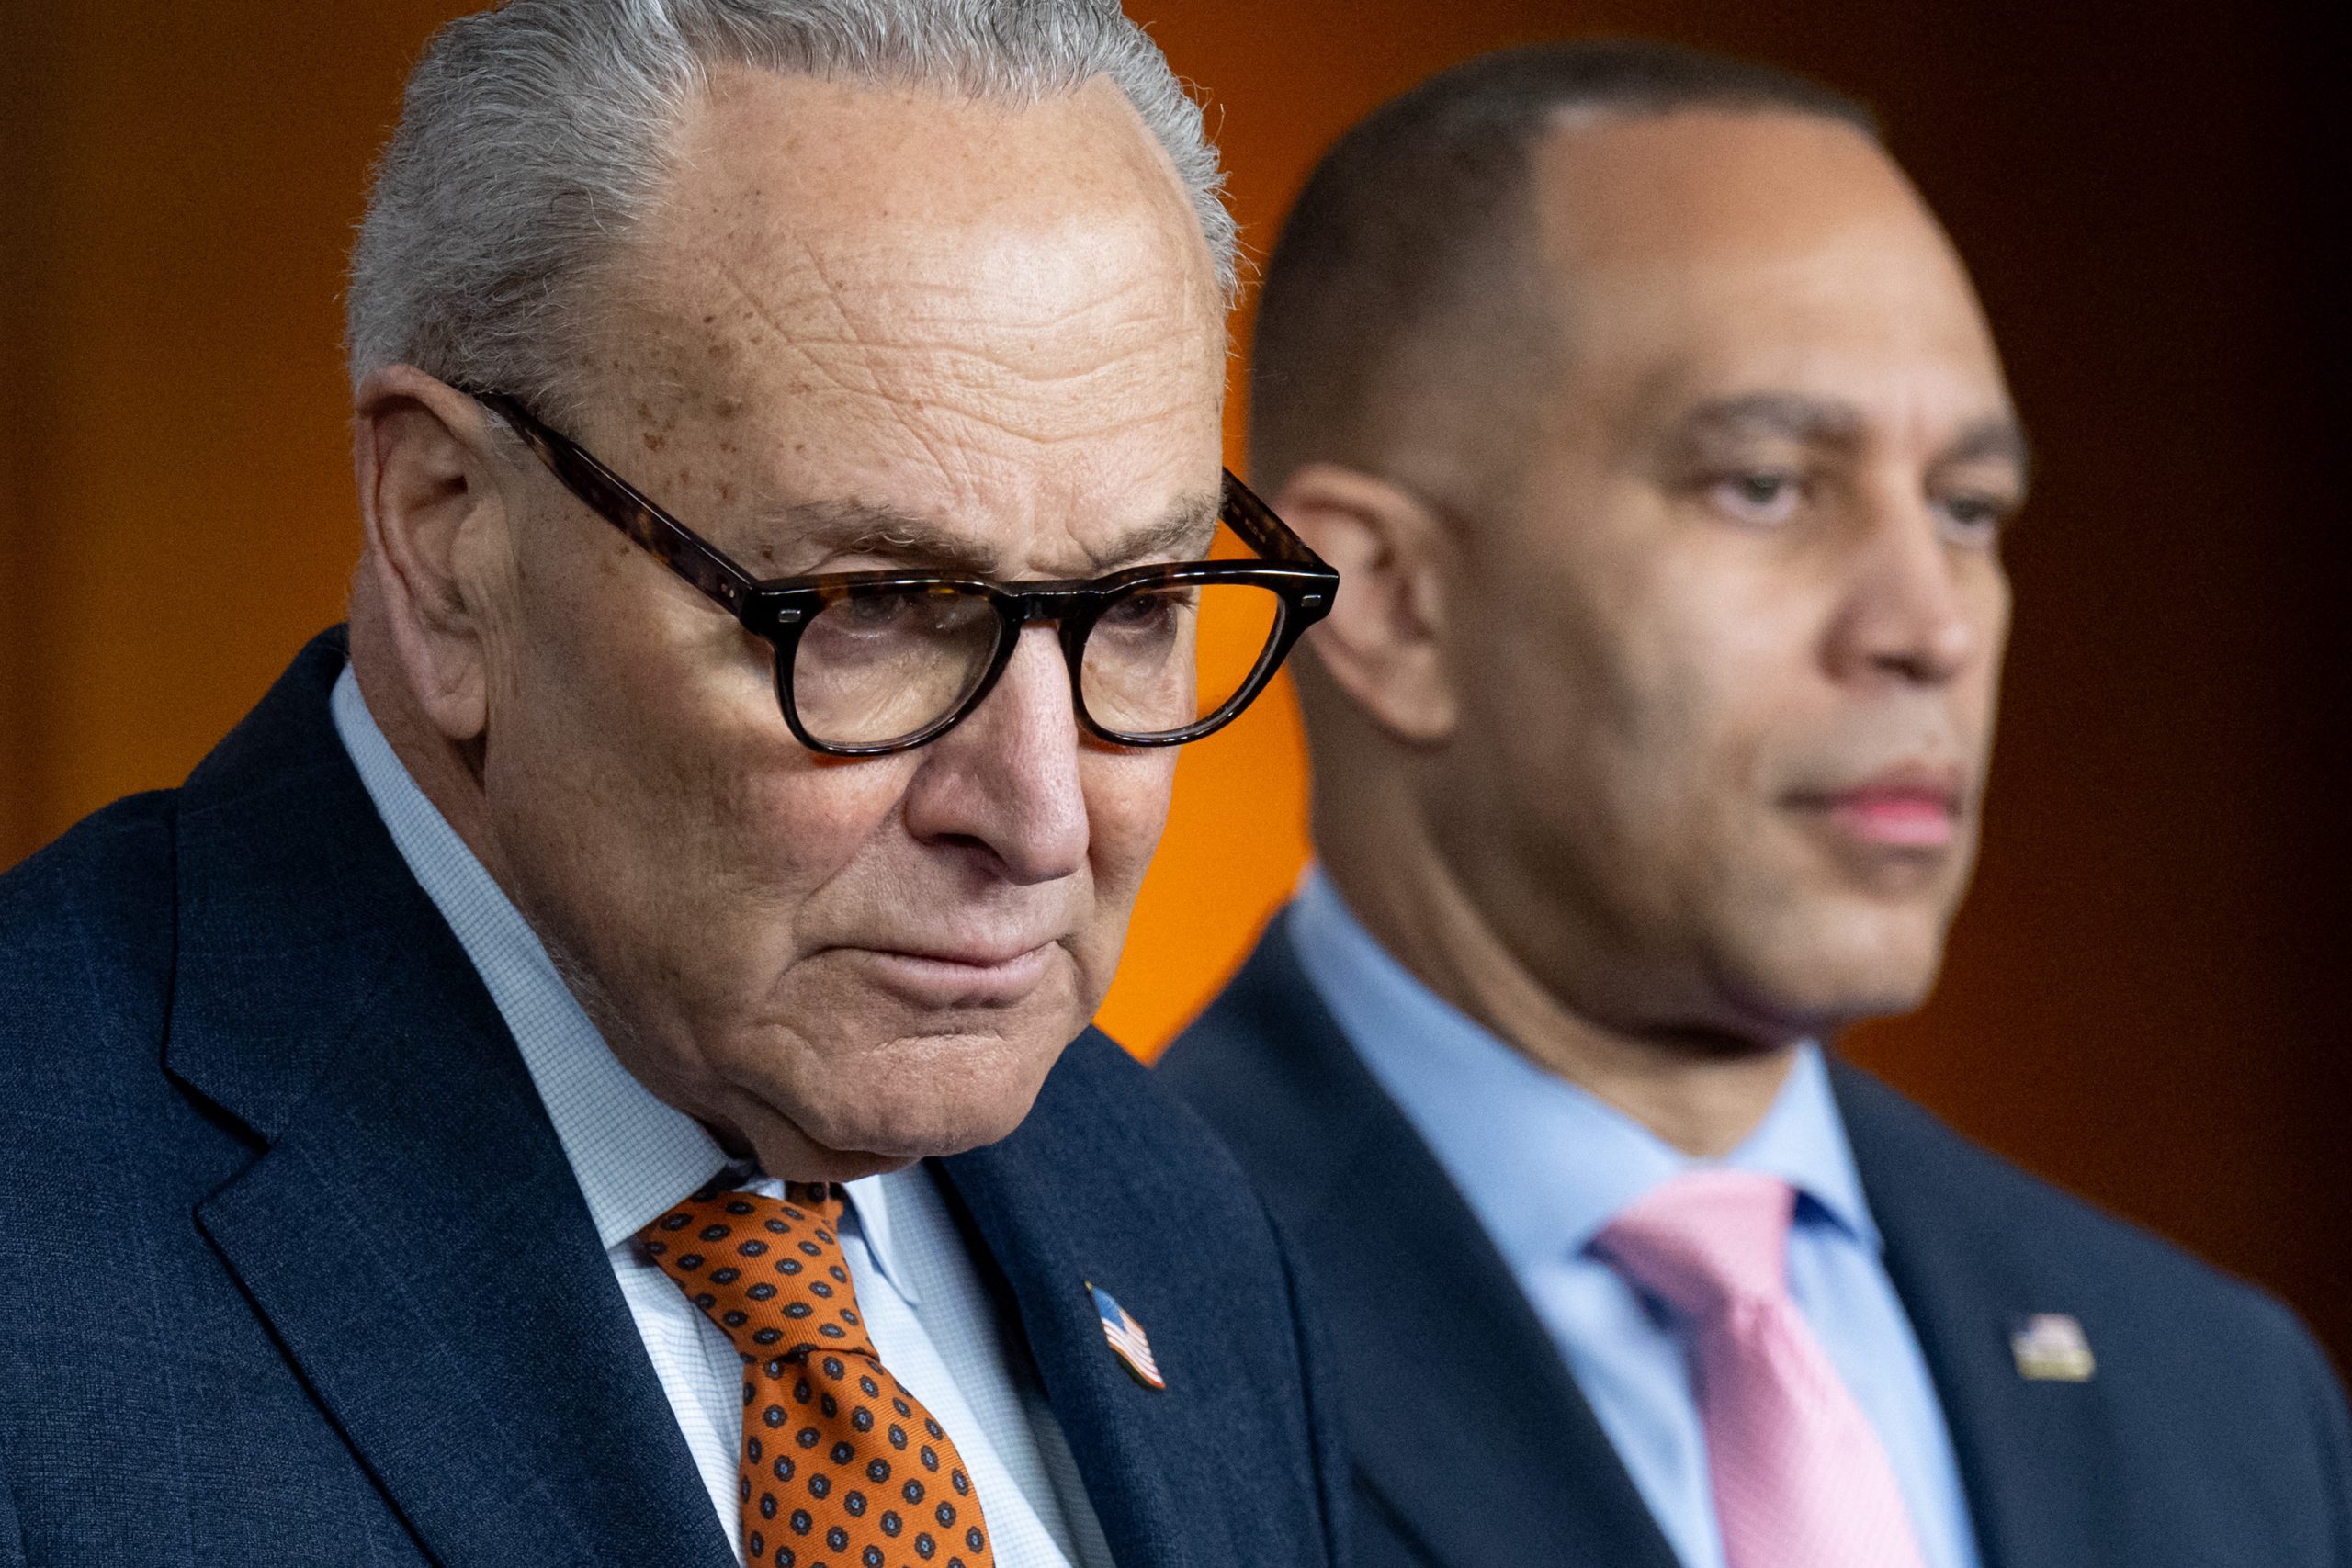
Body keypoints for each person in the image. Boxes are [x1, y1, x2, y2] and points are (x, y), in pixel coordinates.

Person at [0, 4, 1348, 1564]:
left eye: (1138, 606)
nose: (1043, 818)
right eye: (873, 608)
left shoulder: (1180, 1210)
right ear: (447, 537)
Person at [1159, 39, 2351, 1568]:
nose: (1930, 626)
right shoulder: (1082, 1346)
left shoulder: (2218, 1394)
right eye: (1768, 486)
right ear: (1392, 602)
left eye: (1968, 509)